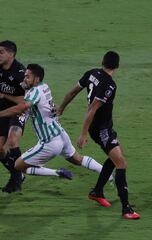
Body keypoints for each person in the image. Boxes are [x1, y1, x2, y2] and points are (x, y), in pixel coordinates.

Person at [0, 64, 109, 188]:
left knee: (18, 166)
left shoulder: (34, 92)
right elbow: (26, 102)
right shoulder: (44, 86)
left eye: (28, 76)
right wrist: (5, 95)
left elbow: (22, 107)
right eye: (25, 76)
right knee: (78, 159)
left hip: (49, 142)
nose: (25, 79)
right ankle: (108, 175)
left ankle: (57, 173)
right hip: (61, 134)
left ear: (36, 79)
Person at [58, 51, 140, 219]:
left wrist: (61, 108)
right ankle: (126, 209)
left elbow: (72, 92)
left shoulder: (92, 73)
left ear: (102, 62)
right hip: (101, 129)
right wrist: (83, 134)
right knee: (121, 163)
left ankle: (97, 191)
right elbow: (92, 109)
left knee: (116, 156)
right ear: (117, 66)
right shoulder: (109, 85)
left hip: (105, 127)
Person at [0, 40, 27, 193]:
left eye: (1, 52)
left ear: (11, 54)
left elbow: (24, 101)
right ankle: (17, 174)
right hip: (2, 109)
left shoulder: (20, 72)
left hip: (19, 110)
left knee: (12, 140)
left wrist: (4, 94)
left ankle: (16, 178)